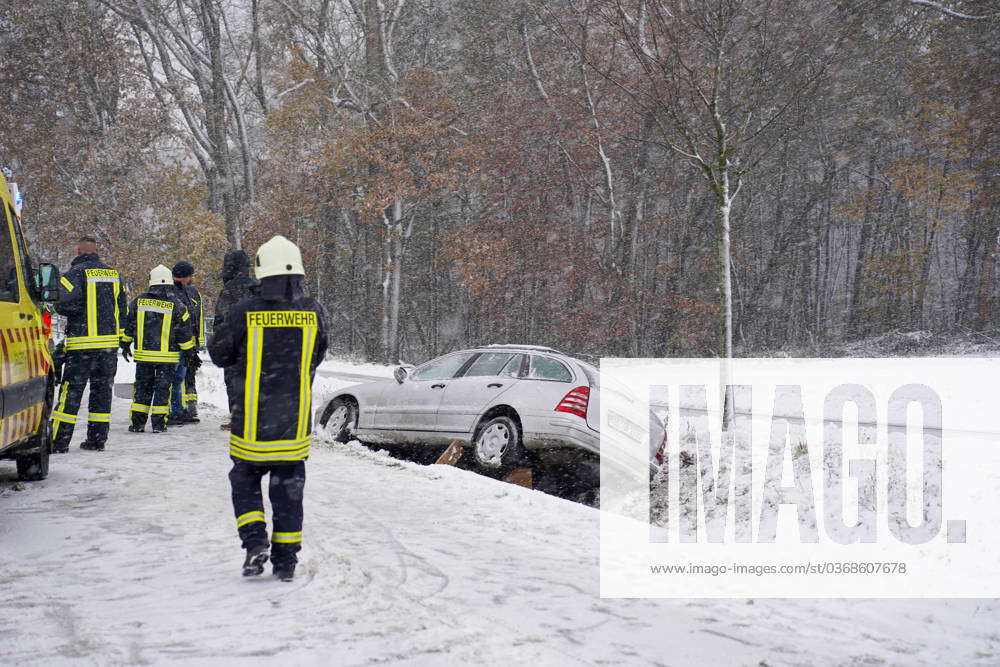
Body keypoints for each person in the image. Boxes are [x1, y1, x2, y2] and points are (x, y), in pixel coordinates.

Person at [208, 235, 328, 582]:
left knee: (244, 480)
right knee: (289, 489)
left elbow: (220, 355)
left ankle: (255, 543)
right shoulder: (314, 310)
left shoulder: (245, 310)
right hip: (294, 423)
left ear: (261, 270)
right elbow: (319, 354)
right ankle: (287, 561)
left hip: (252, 422)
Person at [51, 236, 128, 453]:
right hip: (108, 347)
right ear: (96, 251)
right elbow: (122, 310)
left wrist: (75, 312)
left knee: (71, 393)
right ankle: (96, 439)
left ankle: (59, 440)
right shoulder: (114, 275)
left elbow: (61, 302)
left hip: (81, 346)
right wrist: (119, 339)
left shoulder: (74, 274)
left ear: (78, 252)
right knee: (102, 393)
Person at [122, 265, 197, 433]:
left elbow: (128, 327)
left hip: (144, 357)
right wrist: (189, 352)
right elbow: (184, 333)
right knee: (163, 391)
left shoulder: (138, 302)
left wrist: (125, 344)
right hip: (167, 359)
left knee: (142, 390)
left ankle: (137, 424)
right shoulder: (177, 305)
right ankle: (158, 424)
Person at [214, 249, 257, 430]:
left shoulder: (229, 290)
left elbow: (221, 319)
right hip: (259, 345)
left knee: (234, 383)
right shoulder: (260, 287)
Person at [169, 260, 205, 424]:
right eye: (190, 275)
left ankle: (184, 409)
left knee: (184, 377)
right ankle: (174, 411)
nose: (192, 277)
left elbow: (198, 318)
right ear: (184, 277)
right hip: (177, 344)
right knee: (175, 378)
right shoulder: (172, 293)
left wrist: (196, 343)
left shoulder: (191, 292)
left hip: (188, 343)